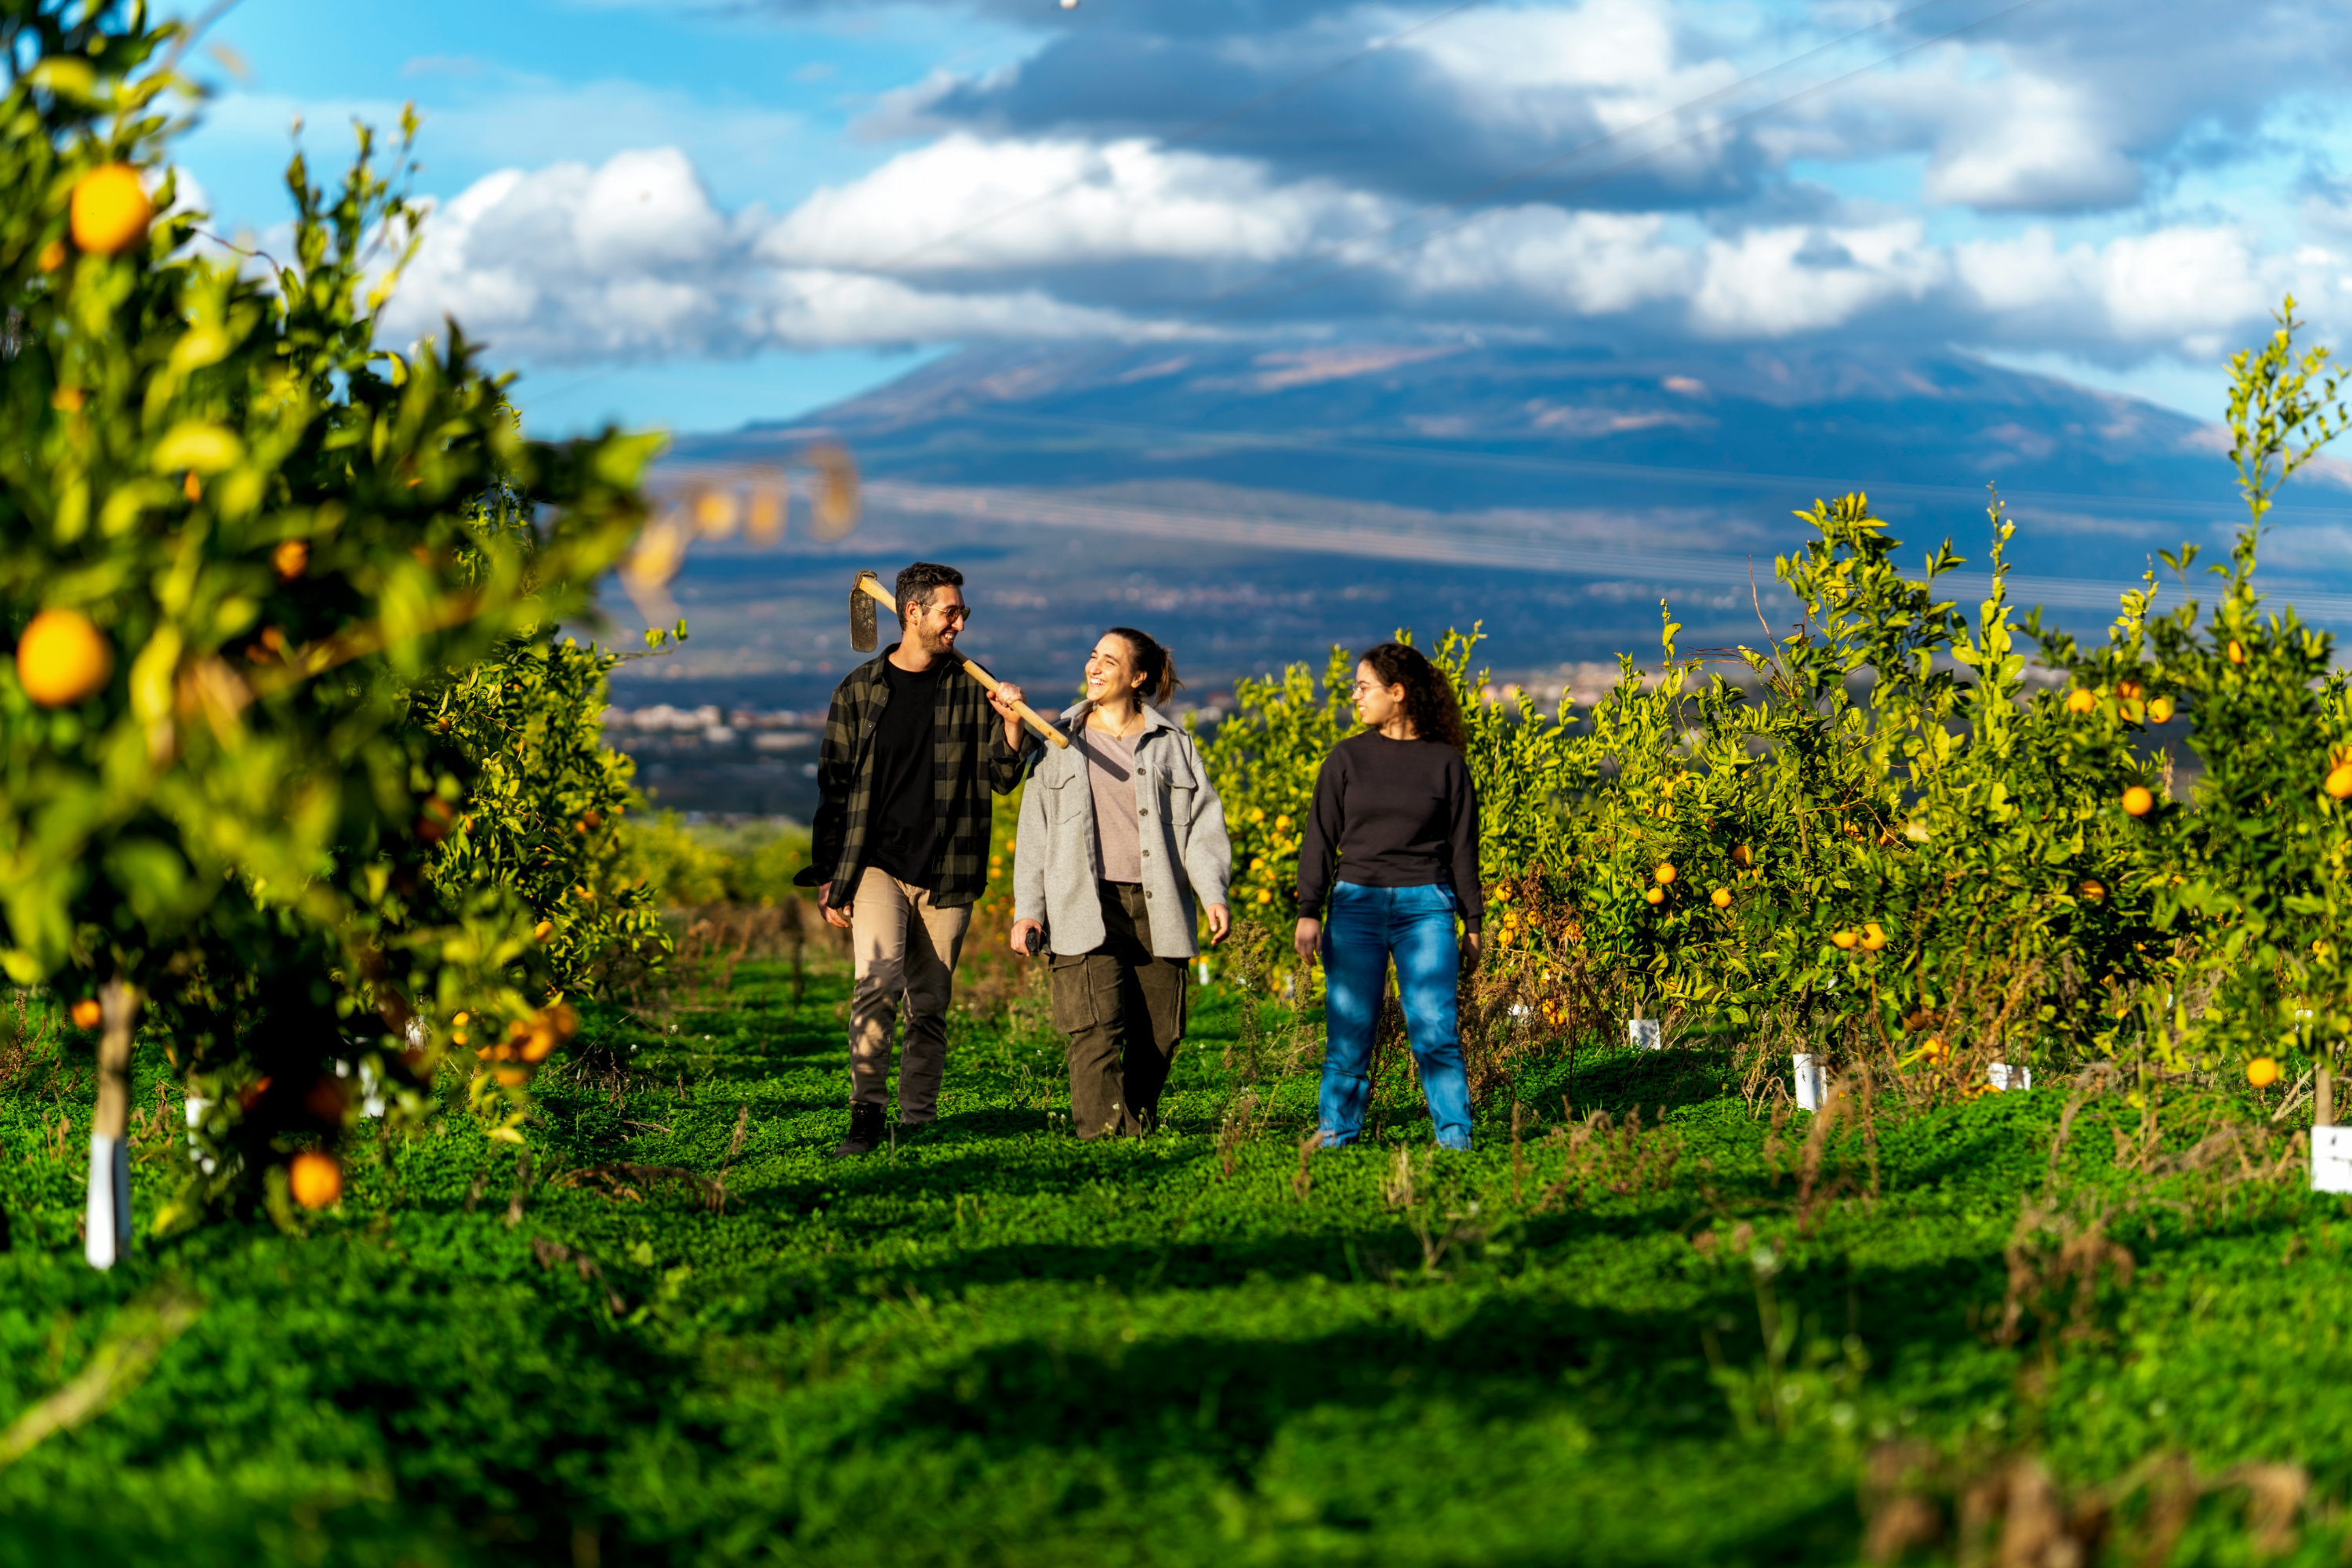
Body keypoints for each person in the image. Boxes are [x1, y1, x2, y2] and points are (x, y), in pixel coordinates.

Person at [809, 562, 1033, 1157]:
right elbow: (833, 786)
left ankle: (918, 1122)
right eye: (950, 613)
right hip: (876, 862)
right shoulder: (859, 690)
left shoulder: (971, 687)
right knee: (877, 983)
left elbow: (1003, 778)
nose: (960, 623)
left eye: (962, 614)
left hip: (950, 867)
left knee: (929, 1004)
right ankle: (865, 1117)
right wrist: (832, 872)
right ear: (913, 613)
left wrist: (1011, 726)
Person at [1011, 628, 1232, 1138]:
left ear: (1138, 677)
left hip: (1160, 906)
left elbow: (1201, 828)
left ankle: (1135, 1125)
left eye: (1109, 661)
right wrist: (1030, 909)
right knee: (1094, 1028)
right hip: (1083, 901)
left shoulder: (1172, 746)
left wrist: (1213, 893)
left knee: (1162, 1032)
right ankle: (1104, 1141)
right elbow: (1034, 831)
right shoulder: (1057, 741)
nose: (1095, 666)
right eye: (1093, 657)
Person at [1293, 641, 1483, 1151]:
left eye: (1363, 687)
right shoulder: (1347, 757)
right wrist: (1309, 910)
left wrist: (1475, 921)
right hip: (1356, 907)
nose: (1355, 697)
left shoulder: (1447, 764)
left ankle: (1455, 1136)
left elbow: (1464, 848)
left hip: (1428, 909)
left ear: (1396, 693)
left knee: (1435, 1027)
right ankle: (1336, 1133)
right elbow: (1320, 837)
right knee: (1350, 1030)